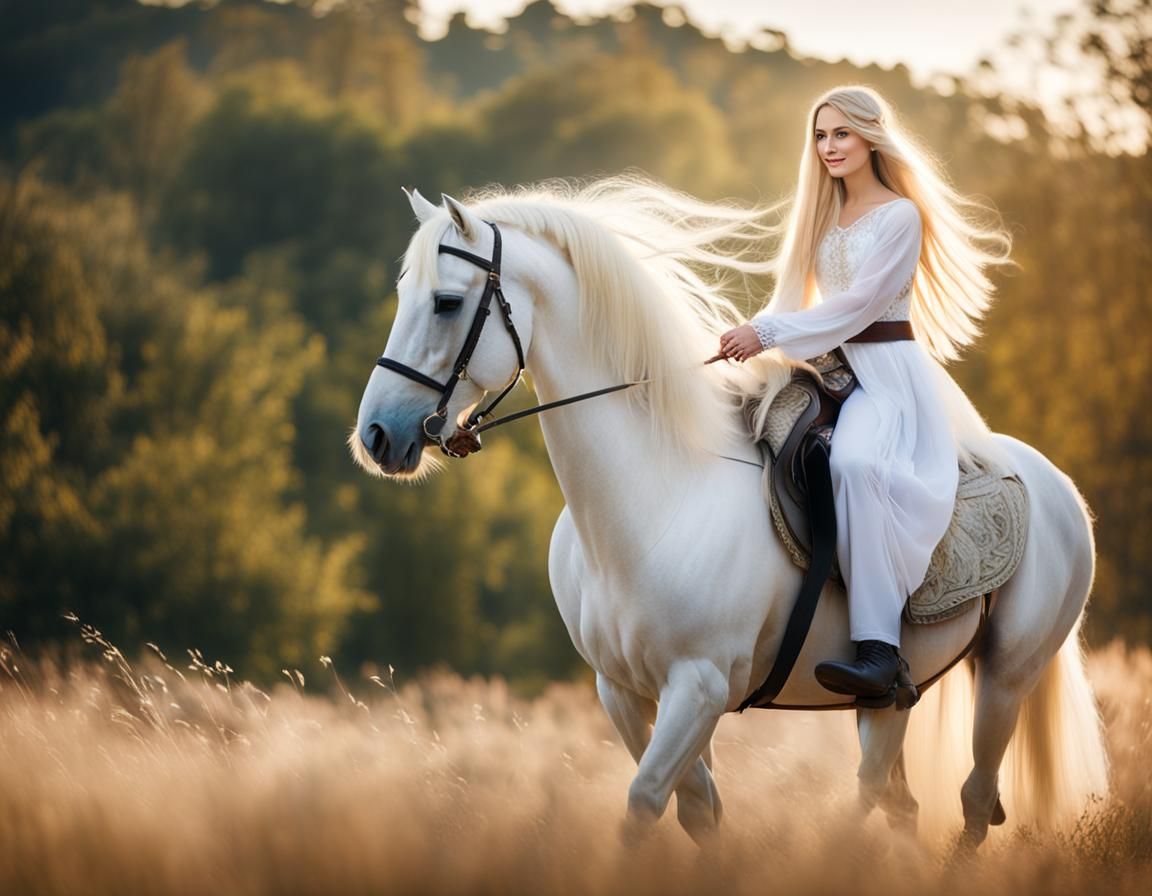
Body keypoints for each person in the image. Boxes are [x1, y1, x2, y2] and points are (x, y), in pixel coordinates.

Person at [718, 85, 1014, 700]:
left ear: (870, 136)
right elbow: (788, 300)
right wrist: (746, 343)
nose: (829, 147)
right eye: (821, 136)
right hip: (825, 367)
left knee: (854, 461)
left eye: (841, 134)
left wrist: (768, 331)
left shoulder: (900, 216)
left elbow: (859, 307)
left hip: (887, 376)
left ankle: (880, 651)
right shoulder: (819, 215)